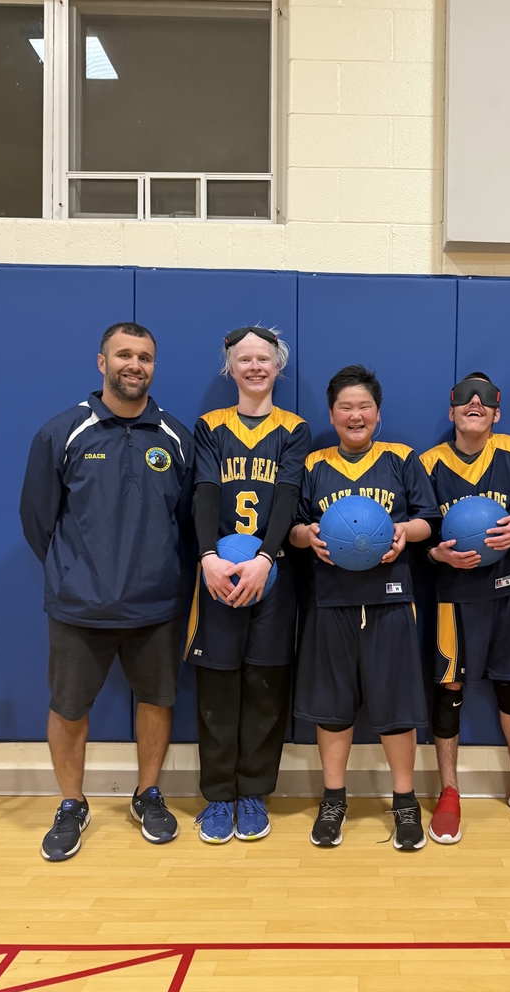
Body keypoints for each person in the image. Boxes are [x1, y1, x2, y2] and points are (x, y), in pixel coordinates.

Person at [20, 322, 195, 861]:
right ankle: (72, 803)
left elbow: (187, 522)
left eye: (144, 357)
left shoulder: (176, 437)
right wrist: (78, 571)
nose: (134, 365)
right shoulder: (63, 432)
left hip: (157, 604)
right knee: (69, 708)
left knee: (157, 700)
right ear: (102, 363)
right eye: (124, 354)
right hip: (79, 605)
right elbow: (37, 520)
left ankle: (148, 794)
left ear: (153, 366)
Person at [290, 365, 439, 851]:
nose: (356, 415)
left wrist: (403, 533)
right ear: (331, 414)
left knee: (396, 707)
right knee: (332, 709)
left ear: (377, 413)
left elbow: (428, 520)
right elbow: (292, 529)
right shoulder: (312, 465)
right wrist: (306, 535)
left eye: (364, 407)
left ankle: (405, 801)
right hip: (330, 598)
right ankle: (334, 798)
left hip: (390, 598)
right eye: (345, 407)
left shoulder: (400, 458)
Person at [420, 373, 510, 844]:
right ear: (451, 410)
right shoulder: (428, 463)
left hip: (505, 590)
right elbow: (419, 534)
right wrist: (437, 554)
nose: (475, 403)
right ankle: (449, 791)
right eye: (465, 398)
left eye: (486, 400)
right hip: (451, 594)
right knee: (449, 690)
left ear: (497, 412)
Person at [187, 326, 311, 844]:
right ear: (230, 367)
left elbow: (286, 496)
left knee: (265, 684)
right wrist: (208, 557)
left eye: (264, 358)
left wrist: (266, 556)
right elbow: (205, 492)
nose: (255, 366)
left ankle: (254, 792)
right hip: (218, 572)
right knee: (217, 683)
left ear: (278, 366)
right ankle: (218, 797)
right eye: (245, 359)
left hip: (272, 573)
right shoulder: (211, 425)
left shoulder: (294, 428)